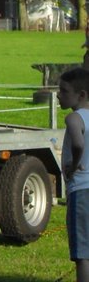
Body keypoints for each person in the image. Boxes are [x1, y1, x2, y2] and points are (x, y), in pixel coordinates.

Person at [58, 66, 89, 282]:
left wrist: (73, 164)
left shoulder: (74, 119)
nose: (58, 95)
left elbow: (78, 144)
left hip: (81, 191)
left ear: (81, 95)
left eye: (63, 91)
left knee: (82, 255)